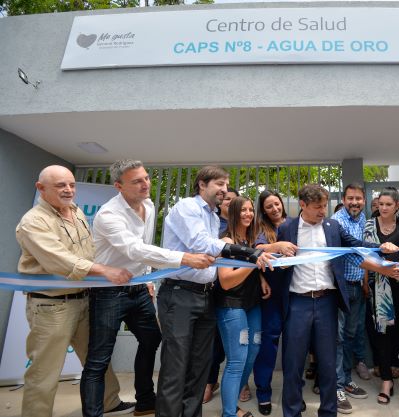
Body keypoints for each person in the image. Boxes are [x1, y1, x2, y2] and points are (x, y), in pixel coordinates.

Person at [80, 160, 214, 417]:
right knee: (99, 359)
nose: (145, 184)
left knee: (152, 340)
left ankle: (144, 402)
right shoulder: (109, 215)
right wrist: (184, 258)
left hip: (139, 289)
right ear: (118, 186)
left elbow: (145, 249)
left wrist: (148, 280)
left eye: (146, 178)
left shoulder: (149, 205)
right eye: (137, 181)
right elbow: (135, 249)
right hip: (108, 291)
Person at [15, 165, 133, 417]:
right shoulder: (33, 222)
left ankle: (109, 401)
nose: (68, 190)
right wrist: (104, 271)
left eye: (71, 184)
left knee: (97, 358)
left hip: (84, 299)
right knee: (44, 371)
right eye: (60, 186)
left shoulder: (76, 211)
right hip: (51, 307)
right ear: (41, 188)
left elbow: (87, 250)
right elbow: (59, 260)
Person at [156, 165, 273, 417]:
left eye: (226, 184)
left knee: (199, 368)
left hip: (205, 295)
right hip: (180, 294)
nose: (224, 189)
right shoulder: (187, 207)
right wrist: (251, 254)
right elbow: (202, 245)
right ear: (202, 184)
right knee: (176, 368)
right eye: (219, 184)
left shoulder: (210, 216)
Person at [275, 184, 399, 417]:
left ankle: (329, 411)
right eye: (317, 207)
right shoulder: (287, 228)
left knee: (328, 362)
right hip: (297, 303)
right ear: (302, 205)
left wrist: (380, 248)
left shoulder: (332, 226)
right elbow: (272, 259)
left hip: (327, 302)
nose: (323, 211)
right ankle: (292, 412)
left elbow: (355, 245)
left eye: (325, 206)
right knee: (293, 364)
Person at [216, 196, 272, 417]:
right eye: (243, 210)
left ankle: (232, 406)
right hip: (232, 306)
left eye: (251, 210)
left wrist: (261, 279)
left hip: (252, 305)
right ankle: (229, 413)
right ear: (233, 213)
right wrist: (252, 263)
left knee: (253, 351)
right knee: (237, 360)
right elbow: (226, 281)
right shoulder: (225, 240)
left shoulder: (250, 240)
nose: (248, 214)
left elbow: (253, 267)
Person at [252, 190, 298, 415]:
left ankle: (293, 394)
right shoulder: (261, 228)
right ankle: (263, 393)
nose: (274, 209)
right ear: (263, 209)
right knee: (268, 345)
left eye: (277, 204)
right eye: (269, 206)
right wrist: (277, 246)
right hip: (271, 296)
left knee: (294, 346)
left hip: (295, 294)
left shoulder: (294, 224)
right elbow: (255, 250)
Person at [362, 187, 399, 407]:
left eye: (389, 204)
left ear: (397, 206)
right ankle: (386, 382)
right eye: (381, 204)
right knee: (383, 333)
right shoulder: (369, 225)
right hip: (380, 287)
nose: (384, 208)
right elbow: (363, 256)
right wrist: (365, 282)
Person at [331, 184, 370, 414]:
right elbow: (356, 254)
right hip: (341, 288)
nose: (355, 202)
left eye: (358, 199)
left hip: (356, 287)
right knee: (338, 337)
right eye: (351, 199)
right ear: (343, 200)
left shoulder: (362, 218)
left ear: (363, 200)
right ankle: (336, 386)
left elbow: (364, 252)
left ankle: (346, 379)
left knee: (350, 335)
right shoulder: (338, 221)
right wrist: (384, 268)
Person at [204, 186, 240, 404]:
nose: (229, 203)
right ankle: (209, 381)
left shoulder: (244, 226)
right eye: (226, 199)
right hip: (213, 288)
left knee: (238, 345)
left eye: (234, 200)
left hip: (240, 291)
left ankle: (241, 383)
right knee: (213, 341)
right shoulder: (212, 224)